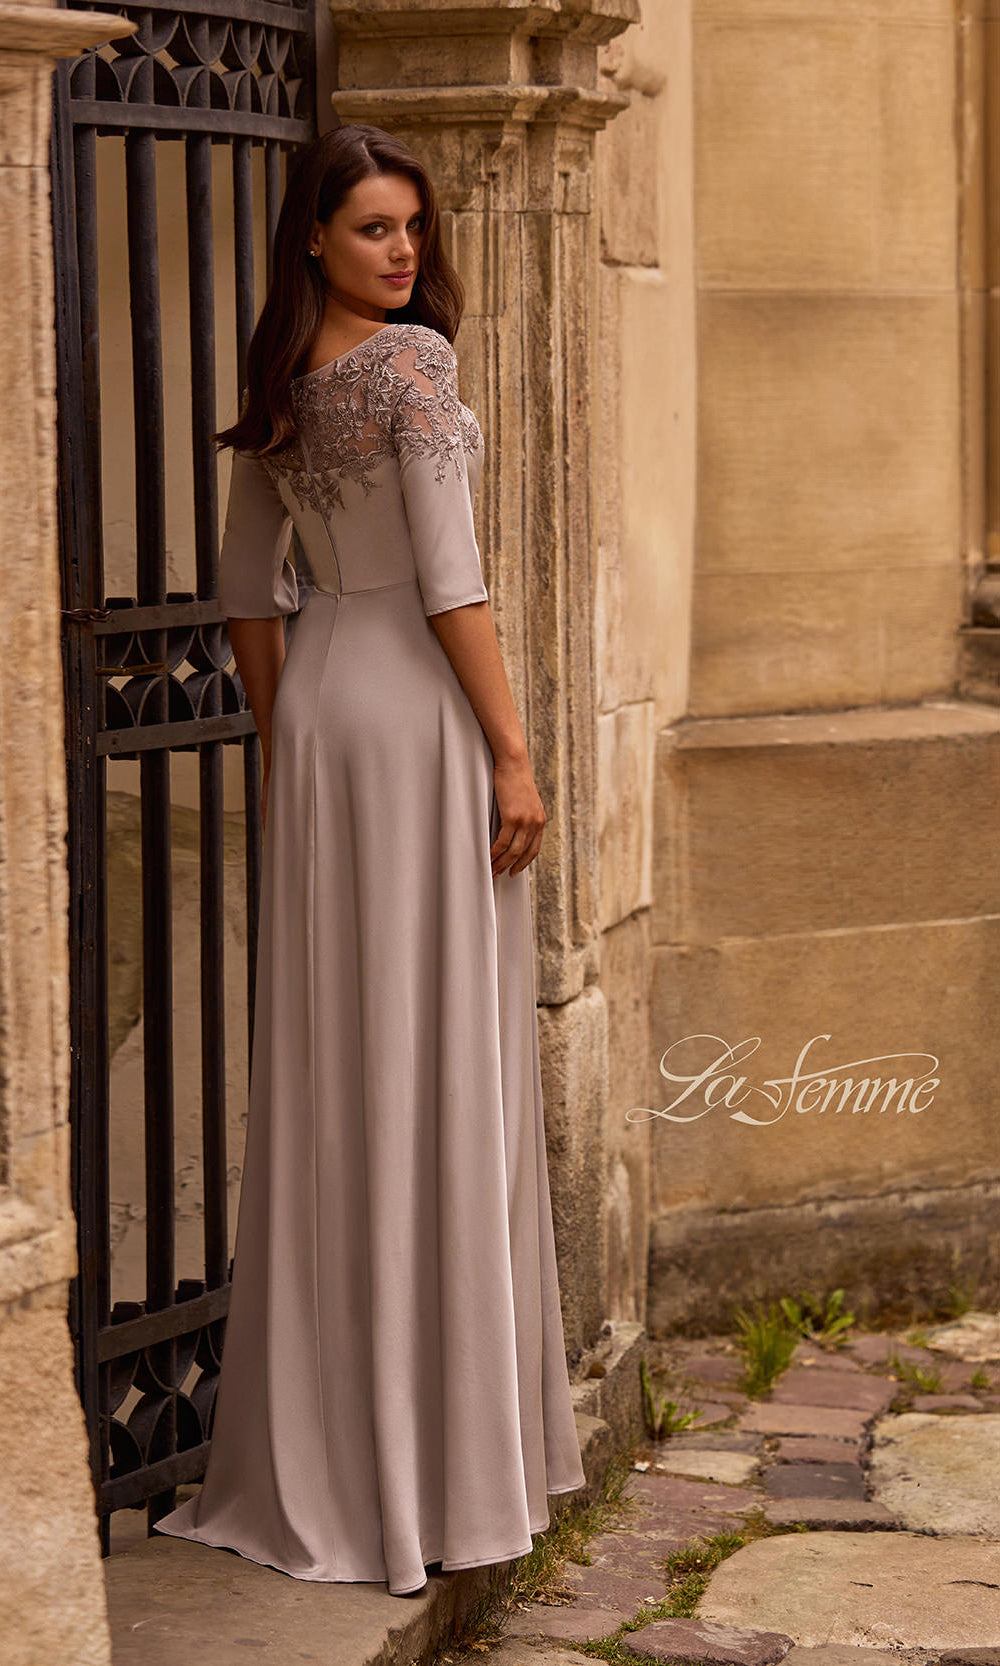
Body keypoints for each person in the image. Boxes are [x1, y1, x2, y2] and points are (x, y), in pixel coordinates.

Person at [153, 122, 586, 1598]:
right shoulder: (412, 372)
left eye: (411, 226)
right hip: (413, 710)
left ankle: (339, 1446)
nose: (401, 252)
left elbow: (240, 590)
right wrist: (514, 752)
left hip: (331, 718)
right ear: (315, 242)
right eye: (372, 231)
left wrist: (289, 739)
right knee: (433, 1058)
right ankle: (438, 1458)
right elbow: (454, 580)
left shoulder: (285, 384)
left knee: (346, 1064)